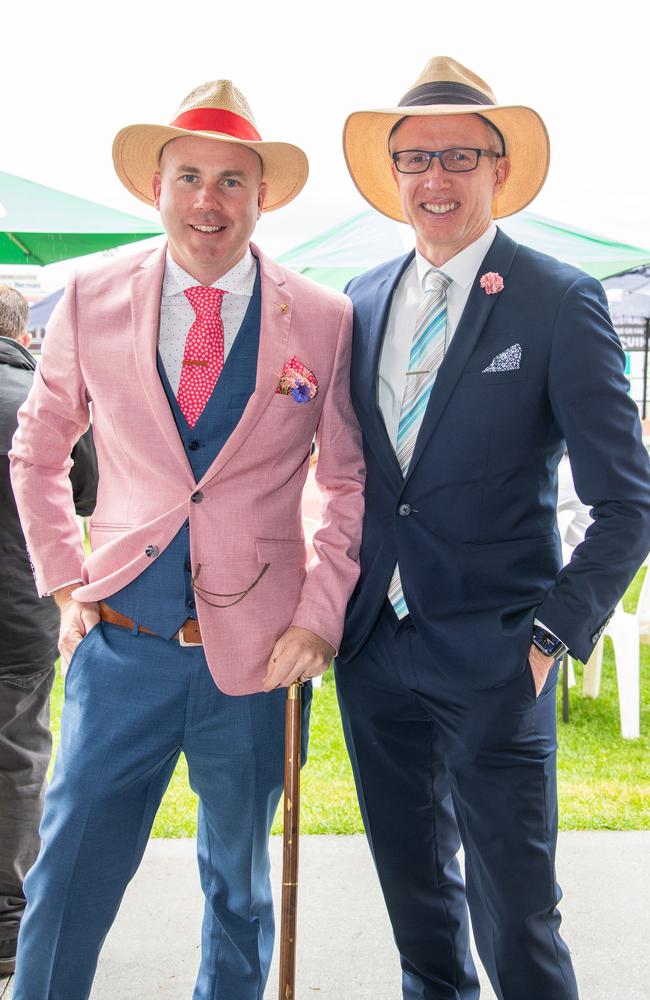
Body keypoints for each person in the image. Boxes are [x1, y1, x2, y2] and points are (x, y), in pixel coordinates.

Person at [9, 80, 364, 999]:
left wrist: (319, 618)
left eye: (233, 182)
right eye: (191, 177)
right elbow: (39, 451)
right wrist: (62, 582)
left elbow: (347, 482)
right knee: (66, 881)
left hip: (257, 660)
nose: (210, 201)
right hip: (120, 642)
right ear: (157, 187)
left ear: (261, 195)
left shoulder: (322, 320)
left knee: (240, 891)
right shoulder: (89, 296)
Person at [335, 56, 650, 999]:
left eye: (459, 156)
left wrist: (553, 634)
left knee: (517, 918)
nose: (435, 179)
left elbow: (629, 501)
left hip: (500, 655)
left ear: (498, 170)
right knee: (417, 907)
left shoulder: (558, 298)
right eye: (415, 160)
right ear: (393, 175)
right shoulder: (359, 298)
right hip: (375, 649)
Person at [0, 286, 97, 978]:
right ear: (21, 332)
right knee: (16, 755)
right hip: (17, 611)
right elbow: (88, 492)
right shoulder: (36, 398)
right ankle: (8, 919)